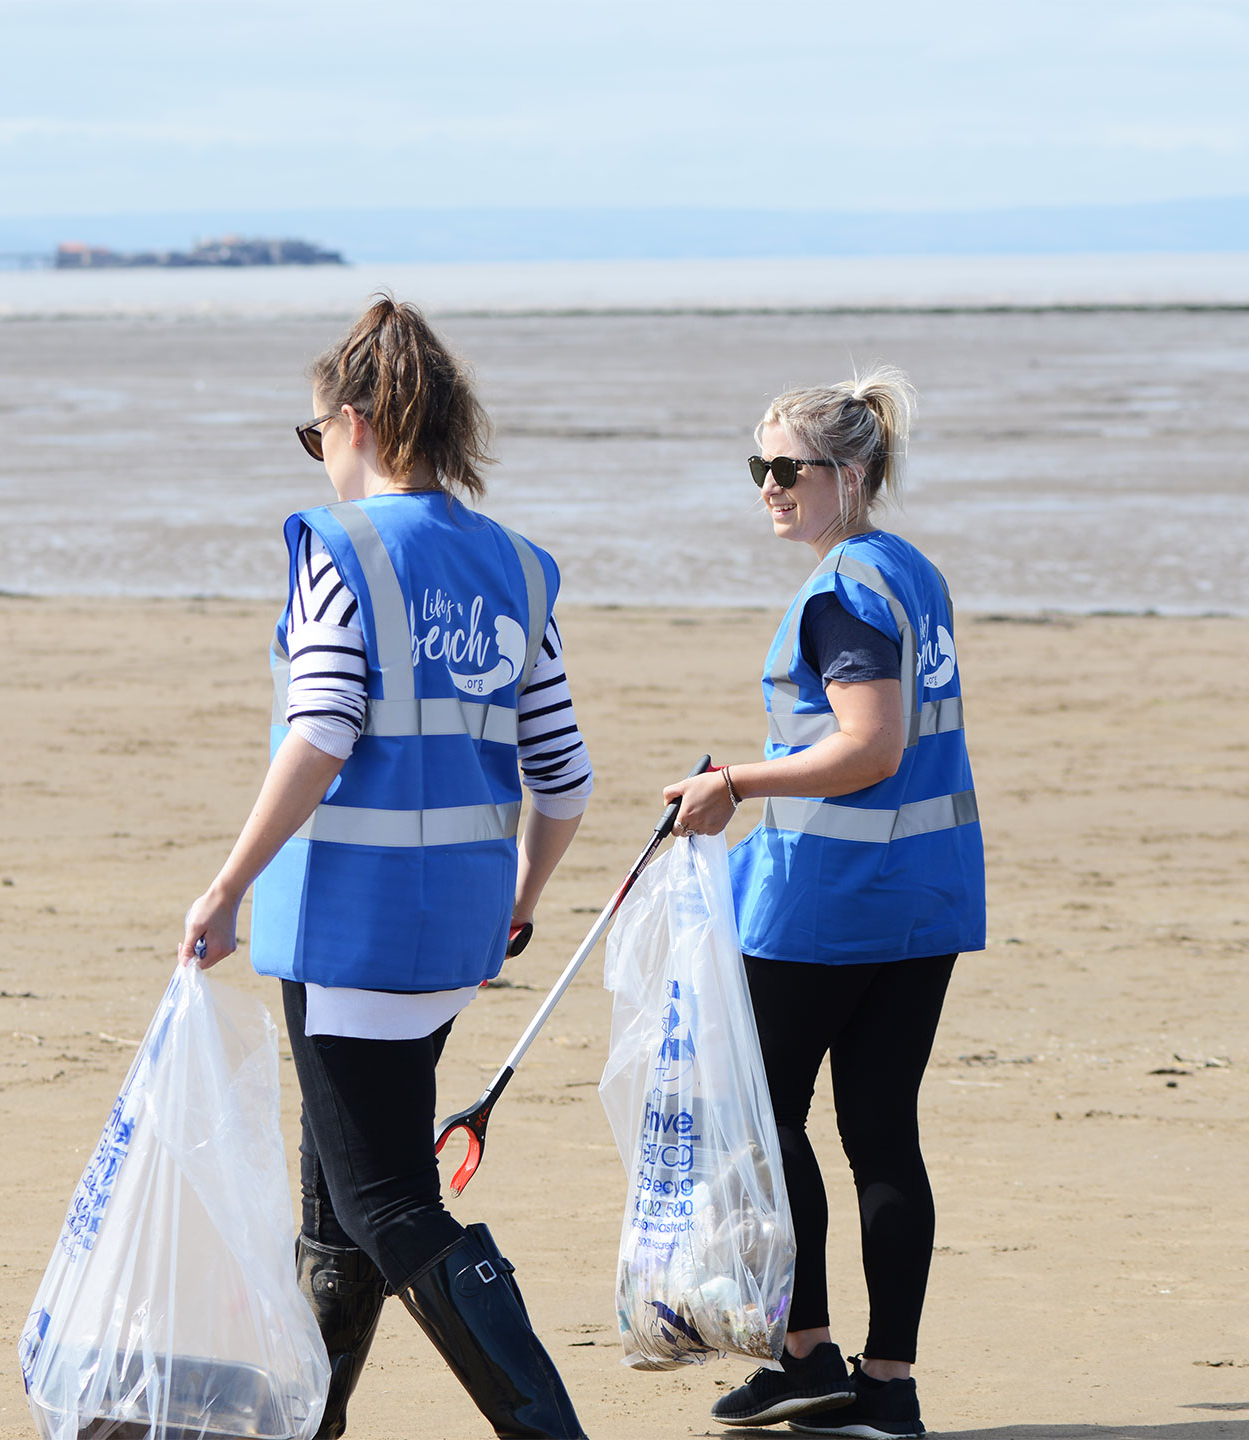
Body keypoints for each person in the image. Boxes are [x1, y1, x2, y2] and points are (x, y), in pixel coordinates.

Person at [180, 296, 594, 1440]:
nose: (318, 461)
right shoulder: (516, 567)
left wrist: (225, 885)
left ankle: (547, 1427)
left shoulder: (342, 552)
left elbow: (319, 731)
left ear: (356, 423)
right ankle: (309, 1424)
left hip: (343, 927)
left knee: (384, 1197)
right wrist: (517, 900)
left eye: (316, 437)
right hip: (456, 932)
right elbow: (561, 776)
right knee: (337, 1194)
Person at [664, 368, 981, 1440]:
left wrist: (734, 784)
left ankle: (807, 1355)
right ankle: (883, 1386)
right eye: (756, 467)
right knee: (879, 1134)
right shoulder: (908, 570)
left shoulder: (845, 583)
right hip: (921, 899)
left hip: (827, 910)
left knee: (759, 1124)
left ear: (851, 474)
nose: (767, 486)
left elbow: (869, 744)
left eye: (786, 468)